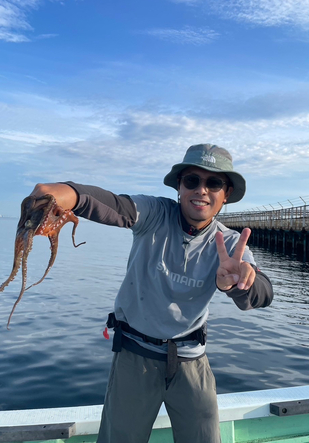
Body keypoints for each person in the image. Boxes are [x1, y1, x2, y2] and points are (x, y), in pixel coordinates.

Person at [31, 143, 273, 443]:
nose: (202, 190)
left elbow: (263, 294)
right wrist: (70, 193)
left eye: (214, 183)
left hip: (191, 362)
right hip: (135, 356)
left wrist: (238, 284)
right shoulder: (155, 213)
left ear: (225, 195)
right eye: (192, 181)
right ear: (179, 188)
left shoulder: (231, 243)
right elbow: (117, 207)